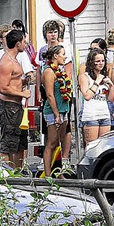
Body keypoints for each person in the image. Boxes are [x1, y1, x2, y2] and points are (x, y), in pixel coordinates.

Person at [0, 29, 31, 169]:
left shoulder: (15, 59)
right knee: (8, 144)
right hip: (8, 107)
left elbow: (11, 82)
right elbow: (2, 88)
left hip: (17, 107)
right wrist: (22, 94)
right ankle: (7, 176)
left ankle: (18, 174)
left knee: (20, 144)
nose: (25, 44)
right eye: (24, 42)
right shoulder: (6, 62)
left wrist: (23, 82)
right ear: (17, 44)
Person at [41, 45, 72, 177]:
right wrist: (56, 114)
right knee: (51, 142)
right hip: (54, 111)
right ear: (55, 56)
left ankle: (58, 172)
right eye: (62, 54)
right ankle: (48, 174)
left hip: (63, 109)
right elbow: (49, 94)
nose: (65, 57)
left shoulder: (60, 70)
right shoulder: (49, 71)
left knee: (59, 142)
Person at [79, 48, 114, 145]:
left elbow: (110, 99)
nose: (101, 63)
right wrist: (97, 82)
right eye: (98, 61)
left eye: (103, 61)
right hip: (91, 116)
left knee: (104, 145)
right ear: (92, 62)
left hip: (104, 114)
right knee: (92, 146)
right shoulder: (85, 77)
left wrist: (111, 86)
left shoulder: (104, 76)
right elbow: (87, 96)